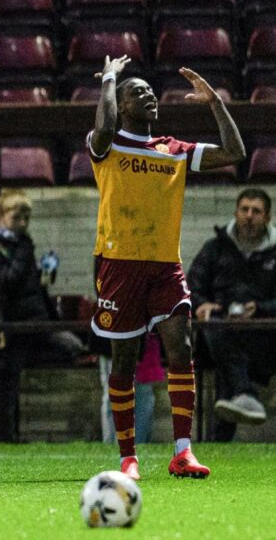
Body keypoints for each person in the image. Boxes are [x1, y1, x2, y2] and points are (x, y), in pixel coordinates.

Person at [88, 55, 246, 480]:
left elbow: (235, 151)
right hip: (119, 263)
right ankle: (128, 456)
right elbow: (103, 127)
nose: (149, 95)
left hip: (164, 265)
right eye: (137, 92)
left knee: (183, 348)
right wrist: (108, 78)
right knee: (124, 360)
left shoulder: (173, 150)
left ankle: (182, 451)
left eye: (151, 91)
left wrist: (214, 102)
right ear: (121, 105)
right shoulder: (107, 145)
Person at [0, 189, 87, 442]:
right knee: (10, 381)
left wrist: (42, 271)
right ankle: (7, 435)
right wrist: (24, 255)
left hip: (38, 320)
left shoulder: (22, 244)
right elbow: (6, 281)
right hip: (17, 323)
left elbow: (29, 283)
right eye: (17, 217)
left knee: (74, 347)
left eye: (26, 218)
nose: (23, 223)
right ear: (2, 215)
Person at [188, 188, 276, 441]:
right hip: (218, 333)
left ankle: (221, 437)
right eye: (244, 209)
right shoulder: (215, 248)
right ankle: (244, 393)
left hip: (264, 336)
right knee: (217, 329)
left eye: (256, 211)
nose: (249, 216)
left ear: (267, 217)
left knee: (229, 357)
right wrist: (201, 304)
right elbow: (191, 286)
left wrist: (259, 309)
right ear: (236, 213)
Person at [98, 333, 164, 444]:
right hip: (117, 341)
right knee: (120, 396)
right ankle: (120, 442)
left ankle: (128, 443)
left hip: (139, 342)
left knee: (139, 396)